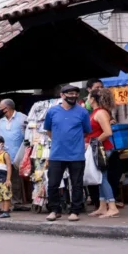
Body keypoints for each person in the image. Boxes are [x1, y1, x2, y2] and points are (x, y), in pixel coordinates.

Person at [44, 85, 93, 222]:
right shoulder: (52, 112)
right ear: (62, 95)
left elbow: (86, 131)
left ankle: (75, 211)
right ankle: (55, 210)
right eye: (69, 94)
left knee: (77, 184)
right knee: (53, 184)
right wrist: (59, 140)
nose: (73, 96)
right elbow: (48, 130)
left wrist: (73, 141)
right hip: (56, 154)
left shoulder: (82, 112)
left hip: (76, 154)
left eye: (75, 94)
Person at [86, 87, 119, 218]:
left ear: (93, 99)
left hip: (102, 149)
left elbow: (108, 132)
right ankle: (102, 206)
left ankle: (112, 206)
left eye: (88, 97)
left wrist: (94, 142)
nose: (87, 99)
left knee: (102, 177)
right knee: (99, 178)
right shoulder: (95, 112)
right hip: (98, 148)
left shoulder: (100, 113)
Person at [0, 98, 28, 206]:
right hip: (4, 156)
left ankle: (17, 202)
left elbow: (29, 135)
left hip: (18, 156)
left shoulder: (22, 118)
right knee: (4, 180)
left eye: (1, 108)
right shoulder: (1, 121)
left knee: (16, 180)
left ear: (7, 108)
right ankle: (6, 203)